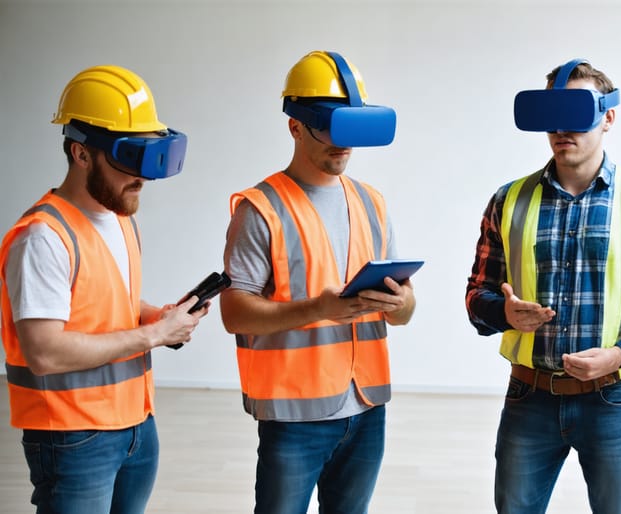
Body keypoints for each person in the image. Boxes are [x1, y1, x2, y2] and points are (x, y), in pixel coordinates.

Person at [465, 58, 621, 514]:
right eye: (552, 114)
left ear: (609, 117)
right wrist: (503, 313)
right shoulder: (508, 200)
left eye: (577, 113)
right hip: (528, 397)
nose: (561, 129)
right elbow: (477, 297)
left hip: (612, 398)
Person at [0, 65, 207, 513]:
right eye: (127, 159)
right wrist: (153, 335)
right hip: (73, 436)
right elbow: (45, 353)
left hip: (136, 423)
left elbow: (106, 301)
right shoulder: (42, 238)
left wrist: (157, 316)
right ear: (81, 154)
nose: (142, 177)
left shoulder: (120, 219)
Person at [220, 50, 416, 514]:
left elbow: (406, 312)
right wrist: (317, 308)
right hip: (295, 415)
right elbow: (233, 313)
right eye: (331, 129)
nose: (343, 144)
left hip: (367, 408)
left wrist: (401, 302)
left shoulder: (372, 203)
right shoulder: (260, 209)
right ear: (295, 126)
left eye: (352, 129)